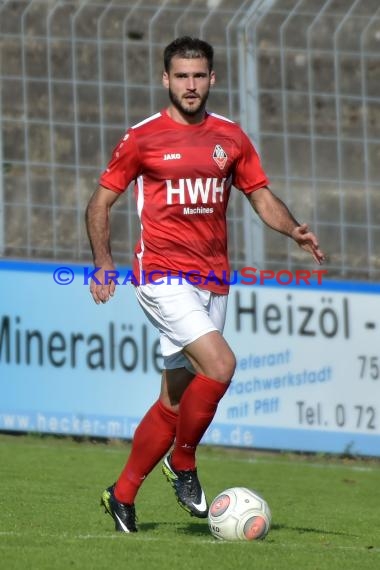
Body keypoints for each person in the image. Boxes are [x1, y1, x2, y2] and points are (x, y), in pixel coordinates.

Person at [85, 36, 325, 533]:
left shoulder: (231, 138)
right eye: (181, 76)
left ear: (212, 79)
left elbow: (260, 195)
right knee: (221, 363)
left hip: (213, 280)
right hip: (161, 275)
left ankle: (122, 494)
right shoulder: (143, 137)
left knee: (176, 401)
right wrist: (103, 262)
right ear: (165, 79)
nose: (190, 85)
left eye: (199, 76)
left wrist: (294, 229)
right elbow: (100, 202)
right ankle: (185, 463)